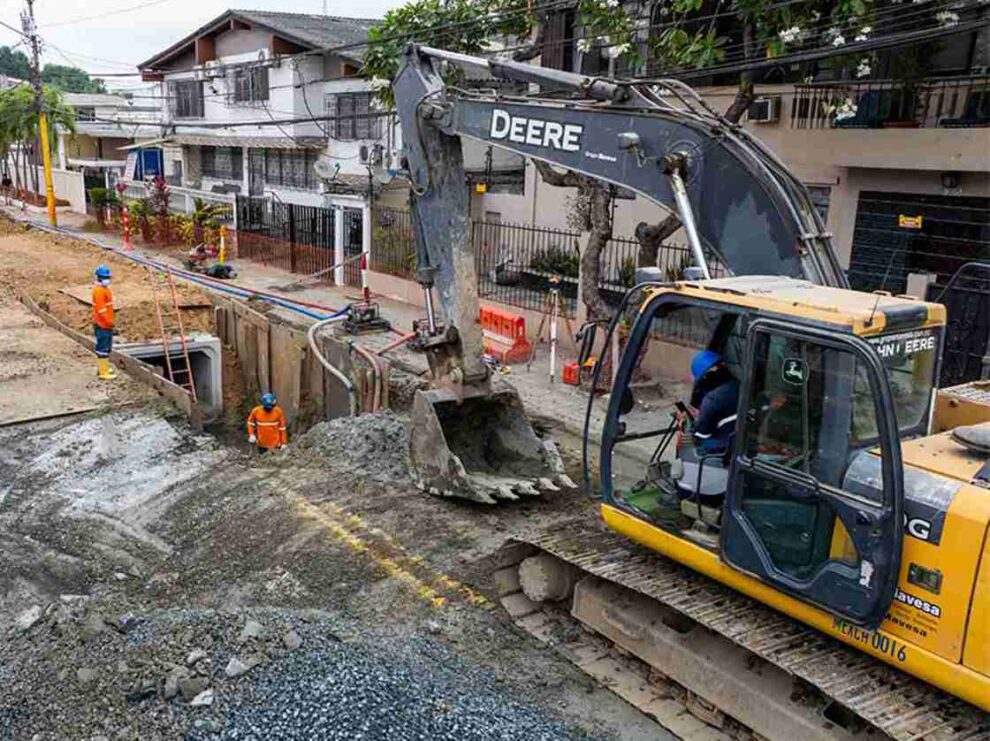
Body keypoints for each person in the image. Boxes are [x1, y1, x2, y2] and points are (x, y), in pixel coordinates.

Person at [689, 350, 738, 454]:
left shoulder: (711, 399)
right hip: (740, 438)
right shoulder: (738, 384)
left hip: (722, 446)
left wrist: (695, 421)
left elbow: (702, 433)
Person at [92, 265, 117, 381]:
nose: (107, 280)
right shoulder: (98, 291)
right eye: (104, 278)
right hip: (103, 324)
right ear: (99, 278)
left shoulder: (104, 290)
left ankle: (104, 368)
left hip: (106, 324)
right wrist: (110, 322)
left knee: (106, 348)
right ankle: (103, 372)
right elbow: (102, 311)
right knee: (102, 348)